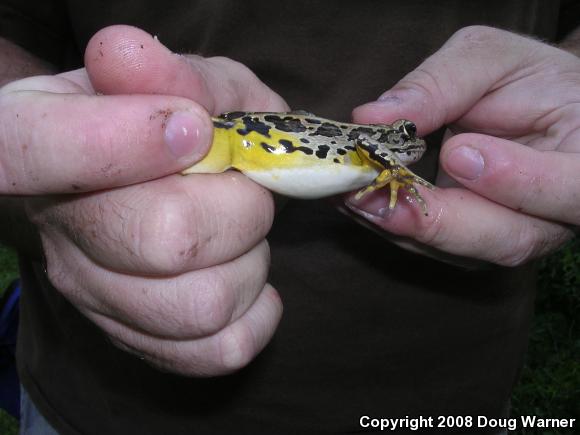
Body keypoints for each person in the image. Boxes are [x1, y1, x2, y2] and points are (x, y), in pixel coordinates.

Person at [0, 1, 578, 434]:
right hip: (102, 408)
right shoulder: (366, 148)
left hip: (454, 398)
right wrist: (53, 195)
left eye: (409, 142)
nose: (407, 147)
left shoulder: (380, 157)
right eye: (400, 141)